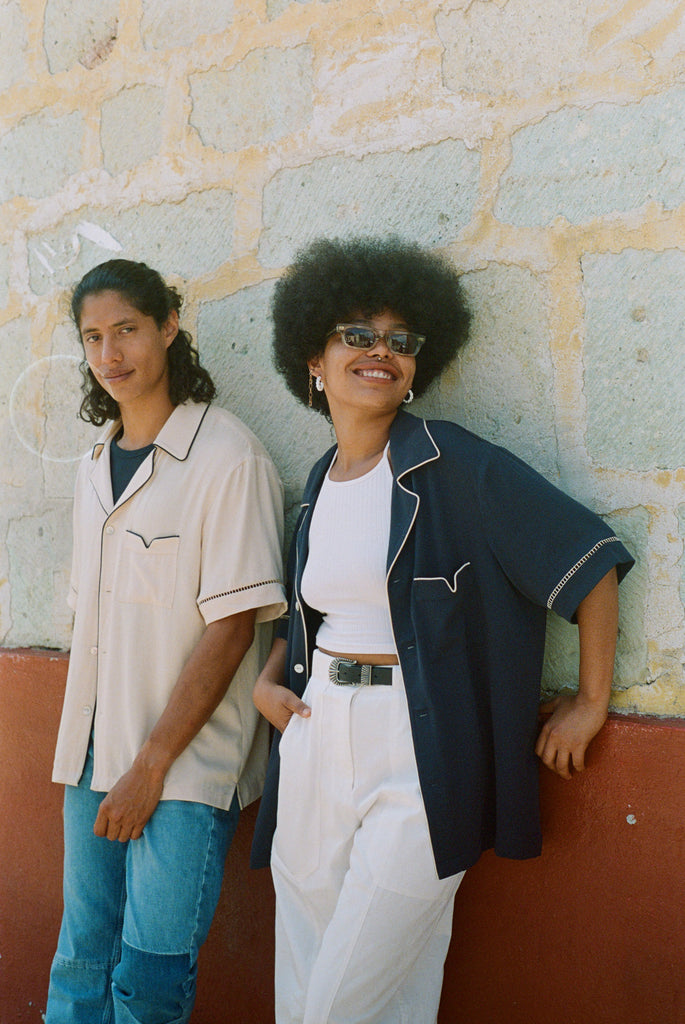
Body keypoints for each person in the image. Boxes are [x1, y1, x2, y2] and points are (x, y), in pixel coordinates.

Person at [250, 236, 634, 1024]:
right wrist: (273, 671)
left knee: (339, 1000)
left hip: (419, 747)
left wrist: (592, 700)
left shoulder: (452, 465)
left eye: (400, 340)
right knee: (325, 974)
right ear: (312, 362)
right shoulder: (319, 481)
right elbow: (318, 604)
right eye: (357, 335)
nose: (381, 352)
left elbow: (588, 560)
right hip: (318, 732)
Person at [46, 259, 286, 1024]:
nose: (110, 354)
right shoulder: (91, 468)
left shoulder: (228, 458)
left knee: (148, 981)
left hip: (179, 769)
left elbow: (233, 625)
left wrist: (150, 765)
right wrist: (104, 761)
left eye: (126, 330)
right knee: (81, 958)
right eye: (92, 337)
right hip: (89, 754)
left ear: (168, 328)